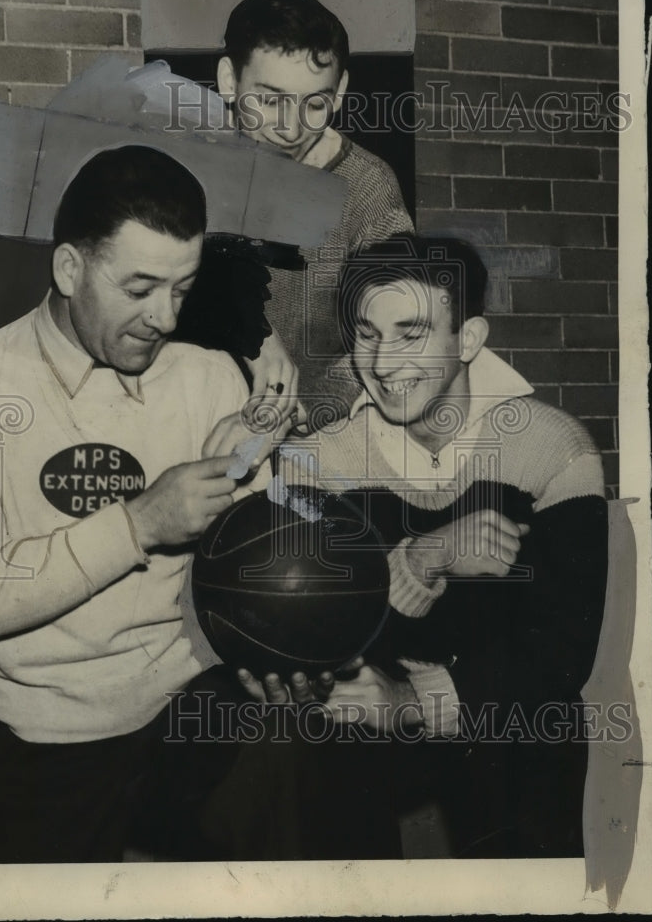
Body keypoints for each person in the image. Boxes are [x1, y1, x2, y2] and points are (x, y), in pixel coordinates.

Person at [0, 145, 276, 864]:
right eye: (139, 288)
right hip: (34, 740)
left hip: (185, 711)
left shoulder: (208, 378)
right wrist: (139, 523)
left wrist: (262, 487)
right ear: (70, 269)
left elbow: (247, 568)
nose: (164, 317)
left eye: (181, 288)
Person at [234, 234, 609, 858]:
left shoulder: (553, 447)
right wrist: (421, 557)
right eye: (367, 334)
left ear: (468, 340)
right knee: (315, 736)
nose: (381, 364)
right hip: (371, 707)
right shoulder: (319, 460)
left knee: (546, 731)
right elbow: (320, 628)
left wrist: (417, 701)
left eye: (411, 334)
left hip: (497, 718)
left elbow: (562, 652)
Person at [215, 0, 415, 426]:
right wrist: (253, 332)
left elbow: (397, 332)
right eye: (270, 100)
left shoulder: (368, 187)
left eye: (316, 104)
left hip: (316, 432)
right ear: (229, 80)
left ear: (340, 90)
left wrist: (310, 409)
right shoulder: (185, 170)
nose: (291, 128)